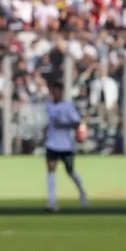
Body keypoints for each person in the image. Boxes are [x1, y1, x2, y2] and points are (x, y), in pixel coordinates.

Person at [45, 82, 89, 212]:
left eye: (56, 91)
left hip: (66, 144)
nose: (54, 94)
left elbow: (77, 122)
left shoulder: (68, 106)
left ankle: (82, 193)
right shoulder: (48, 106)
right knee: (51, 171)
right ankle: (52, 202)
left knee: (71, 171)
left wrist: (63, 124)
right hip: (52, 143)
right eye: (53, 91)